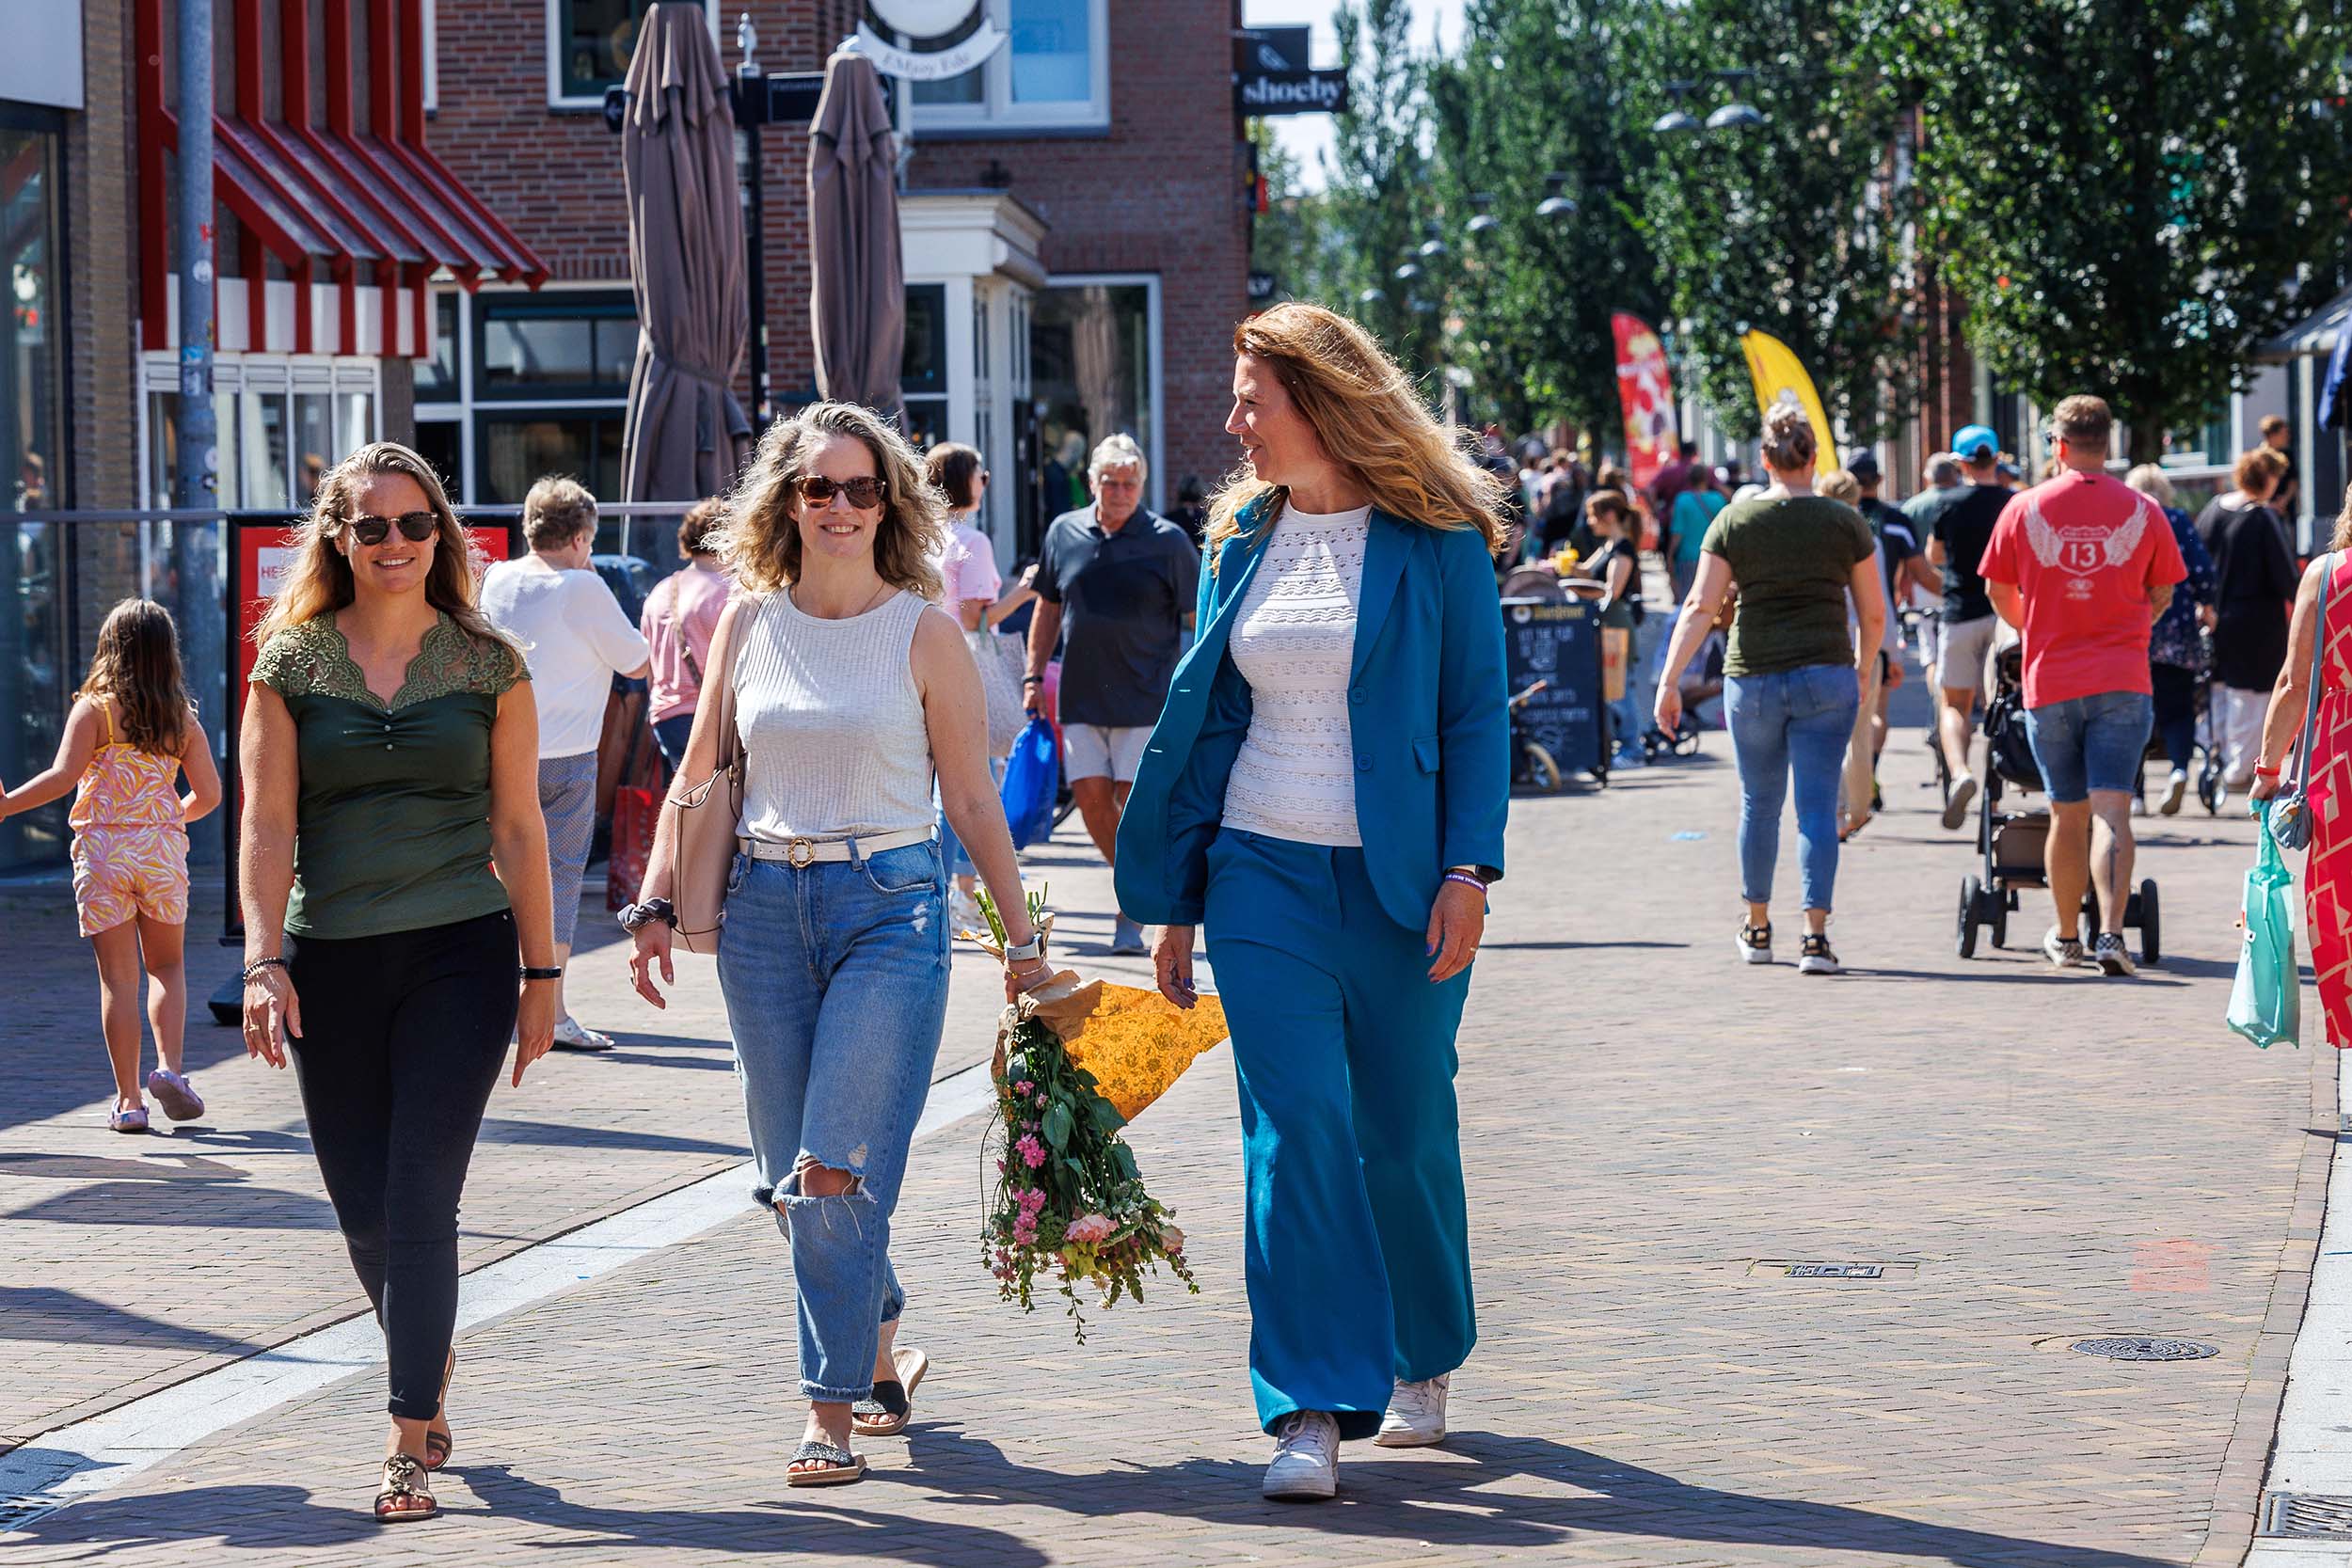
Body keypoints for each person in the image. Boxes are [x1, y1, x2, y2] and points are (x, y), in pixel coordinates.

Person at [1115, 301, 1508, 1503]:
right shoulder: (1240, 536)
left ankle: (1420, 1347)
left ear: (1320, 405)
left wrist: (1467, 870)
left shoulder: (1436, 539)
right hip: (1259, 873)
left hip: (1399, 886)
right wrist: (1176, 895)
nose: (1233, 422)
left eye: (1252, 400)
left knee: (1399, 1128)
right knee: (1291, 1133)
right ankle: (1307, 1407)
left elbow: (1473, 714)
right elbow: (1205, 724)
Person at [624, 402, 1051, 1487]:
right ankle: (876, 1323)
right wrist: (657, 900)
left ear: (892, 503)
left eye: (863, 488)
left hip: (890, 907)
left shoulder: (924, 632)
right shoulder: (748, 622)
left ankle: (829, 1408)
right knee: (786, 1177)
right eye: (820, 487)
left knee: (830, 1171)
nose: (842, 506)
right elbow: (702, 769)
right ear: (787, 501)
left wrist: (1021, 939)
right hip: (764, 909)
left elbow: (972, 796)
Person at [239, 441, 559, 1522]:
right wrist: (261, 955)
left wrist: (544, 975)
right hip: (327, 957)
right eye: (369, 525)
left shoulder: (487, 662)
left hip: (459, 955)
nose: (393, 543)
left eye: (412, 524)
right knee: (364, 1210)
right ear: (337, 535)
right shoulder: (288, 662)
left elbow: (520, 828)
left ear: (442, 535)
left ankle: (405, 1433)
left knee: (421, 1192)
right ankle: (426, 1352)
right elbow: (266, 822)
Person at [1655, 404, 1884, 975]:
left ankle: (1757, 928)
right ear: (1813, 457)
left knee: (1759, 806)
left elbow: (1700, 606)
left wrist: (1670, 681)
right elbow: (1874, 613)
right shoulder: (1844, 523)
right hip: (1826, 673)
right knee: (1815, 810)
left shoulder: (1735, 521)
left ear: (1764, 459)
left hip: (1752, 674)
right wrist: (1863, 664)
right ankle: (1815, 937)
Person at [1978, 396, 2186, 976]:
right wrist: (2128, 626)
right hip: (2123, 678)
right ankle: (2112, 936)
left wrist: (2037, 625)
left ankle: (2067, 935)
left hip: (2053, 678)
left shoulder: (2024, 508)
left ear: (2059, 446)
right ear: (2108, 443)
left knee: (2066, 815)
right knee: (2114, 812)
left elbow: (1996, 591)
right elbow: (2164, 591)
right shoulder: (2145, 511)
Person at [0, 599, 221, 1132]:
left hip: (102, 856)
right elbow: (209, 796)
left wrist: (6, 807)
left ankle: (129, 1104)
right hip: (162, 853)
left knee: (118, 982)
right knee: (166, 968)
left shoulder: (95, 710)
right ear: (167, 653)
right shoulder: (181, 718)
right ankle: (169, 1070)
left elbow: (61, 777)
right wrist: (166, 823)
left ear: (110, 648)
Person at [479, 477, 651, 1052]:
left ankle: (499, 1002)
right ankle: (550, 1010)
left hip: (497, 752)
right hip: (565, 760)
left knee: (503, 881)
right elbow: (635, 661)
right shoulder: (582, 586)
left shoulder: (498, 577)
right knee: (558, 881)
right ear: (580, 537)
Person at [1024, 433, 1199, 956]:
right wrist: (1034, 677)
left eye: (1129, 483)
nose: (1119, 491)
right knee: (1094, 803)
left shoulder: (1168, 541)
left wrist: (1194, 690)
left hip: (1147, 698)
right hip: (1080, 694)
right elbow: (1047, 608)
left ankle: (1130, 913)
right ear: (1093, 482)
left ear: (1141, 485)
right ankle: (1139, 887)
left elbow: (1195, 620)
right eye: (1110, 481)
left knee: (1132, 803)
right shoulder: (1065, 532)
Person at [2250, 495, 2352, 1045]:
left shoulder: (2328, 573)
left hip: (2343, 756)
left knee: (2342, 896)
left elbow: (2294, 683)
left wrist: (2268, 768)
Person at [928, 441, 1037, 929]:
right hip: (966, 666)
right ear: (965, 483)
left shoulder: (922, 537)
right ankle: (960, 892)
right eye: (981, 475)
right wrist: (1026, 590)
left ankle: (956, 890)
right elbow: (975, 617)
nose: (985, 483)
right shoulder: (972, 542)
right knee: (974, 783)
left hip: (923, 661)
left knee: (939, 782)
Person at [1916, 425, 2010, 829]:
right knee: (2003, 703)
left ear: (1961, 463)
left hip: (1959, 613)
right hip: (2006, 615)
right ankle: (1999, 783)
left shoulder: (1949, 503)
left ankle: (1961, 773)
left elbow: (1934, 554)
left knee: (1953, 704)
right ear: (1996, 460)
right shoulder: (2014, 503)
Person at [2197, 447, 2296, 793]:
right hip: (2258, 621)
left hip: (2216, 616)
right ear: (2267, 478)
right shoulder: (2262, 518)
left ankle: (2218, 757)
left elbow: (2198, 559)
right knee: (2255, 695)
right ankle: (2240, 768)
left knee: (2221, 688)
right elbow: (2285, 575)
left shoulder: (2214, 510)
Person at [2125, 465, 2217, 815]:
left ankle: (2135, 792)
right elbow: (2203, 571)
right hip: (2177, 628)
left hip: (2135, 629)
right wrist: (2206, 604)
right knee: (2178, 709)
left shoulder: (2127, 520)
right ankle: (2179, 768)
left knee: (2133, 712)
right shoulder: (2178, 520)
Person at [640, 498, 732, 776]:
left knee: (685, 799)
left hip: (666, 718)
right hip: (710, 716)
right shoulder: (731, 591)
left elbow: (649, 670)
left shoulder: (659, 591)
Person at [1575, 490, 1646, 768]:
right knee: (1611, 688)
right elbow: (1586, 572)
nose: (1590, 522)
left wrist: (1581, 588)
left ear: (1610, 516)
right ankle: (1623, 745)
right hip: (1608, 624)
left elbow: (1612, 591)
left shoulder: (1622, 548)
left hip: (1617, 625)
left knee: (1619, 691)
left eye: (1594, 515)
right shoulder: (1609, 546)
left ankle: (1632, 749)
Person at [1668, 464, 1728, 606]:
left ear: (1689, 479)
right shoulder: (1718, 499)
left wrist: (1670, 556)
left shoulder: (1682, 500)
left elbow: (1677, 534)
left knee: (1689, 600)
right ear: (1707, 479)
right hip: (1715, 556)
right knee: (1713, 599)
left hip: (1687, 558)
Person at [2262, 413, 2300, 520]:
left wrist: (2284, 501)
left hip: (2286, 509)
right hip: (2267, 509)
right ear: (2272, 435)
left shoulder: (2288, 454)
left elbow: (2293, 480)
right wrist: (2270, 504)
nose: (2287, 437)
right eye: (2283, 434)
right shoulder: (2260, 457)